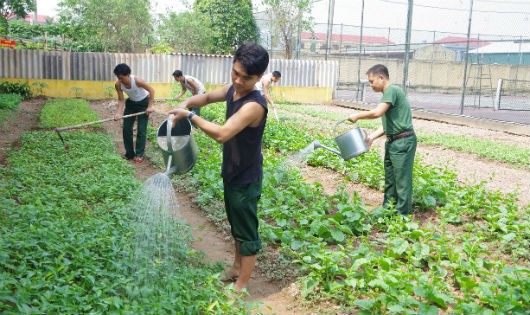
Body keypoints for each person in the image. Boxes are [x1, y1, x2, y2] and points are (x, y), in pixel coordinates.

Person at [168, 43, 269, 292]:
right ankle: (236, 267)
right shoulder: (233, 90)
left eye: (247, 78)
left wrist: (190, 116)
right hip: (232, 172)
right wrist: (188, 103)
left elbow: (223, 134)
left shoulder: (254, 105)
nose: (238, 80)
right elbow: (206, 97)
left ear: (258, 78)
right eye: (235, 73)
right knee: (235, 225)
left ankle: (242, 284)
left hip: (246, 178)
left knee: (247, 232)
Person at [347, 64, 416, 215]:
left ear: (381, 77)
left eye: (372, 81)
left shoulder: (391, 90)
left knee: (402, 181)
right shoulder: (389, 94)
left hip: (403, 142)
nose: (370, 85)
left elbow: (377, 113)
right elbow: (388, 125)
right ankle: (388, 210)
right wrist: (371, 137)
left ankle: (403, 216)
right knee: (391, 180)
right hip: (393, 142)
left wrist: (357, 115)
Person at [113, 63, 154, 164]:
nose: (120, 80)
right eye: (118, 78)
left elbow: (152, 90)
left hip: (143, 103)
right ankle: (129, 154)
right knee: (126, 128)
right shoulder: (118, 84)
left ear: (128, 75)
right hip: (131, 103)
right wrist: (118, 113)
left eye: (122, 78)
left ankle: (139, 154)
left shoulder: (137, 81)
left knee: (141, 129)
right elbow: (121, 100)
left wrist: (149, 106)